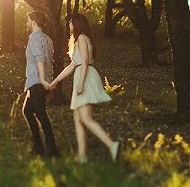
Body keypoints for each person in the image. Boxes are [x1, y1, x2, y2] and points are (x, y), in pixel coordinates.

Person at [49, 13, 119, 163]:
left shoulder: (81, 38)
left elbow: (85, 61)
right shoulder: (79, 40)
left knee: (86, 118)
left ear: (77, 24)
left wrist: (81, 83)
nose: (69, 26)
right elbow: (72, 65)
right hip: (82, 75)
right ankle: (82, 156)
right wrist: (56, 81)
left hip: (85, 76)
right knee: (78, 119)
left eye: (70, 24)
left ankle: (112, 145)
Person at [22, 10, 59, 158]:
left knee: (41, 115)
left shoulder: (35, 40)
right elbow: (49, 59)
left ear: (34, 22)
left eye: (28, 20)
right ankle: (38, 146)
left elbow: (40, 60)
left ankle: (51, 150)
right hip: (38, 82)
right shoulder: (47, 39)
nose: (27, 23)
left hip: (38, 82)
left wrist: (43, 80)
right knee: (28, 111)